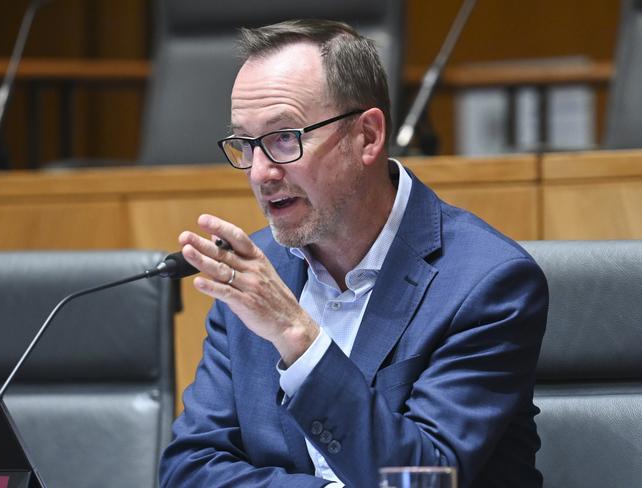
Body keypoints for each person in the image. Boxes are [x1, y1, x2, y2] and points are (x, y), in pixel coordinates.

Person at [158, 19, 548, 488]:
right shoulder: (256, 270)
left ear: (367, 136)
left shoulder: (486, 283)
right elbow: (189, 469)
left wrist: (296, 335)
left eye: (285, 138)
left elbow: (424, 478)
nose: (259, 173)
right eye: (246, 143)